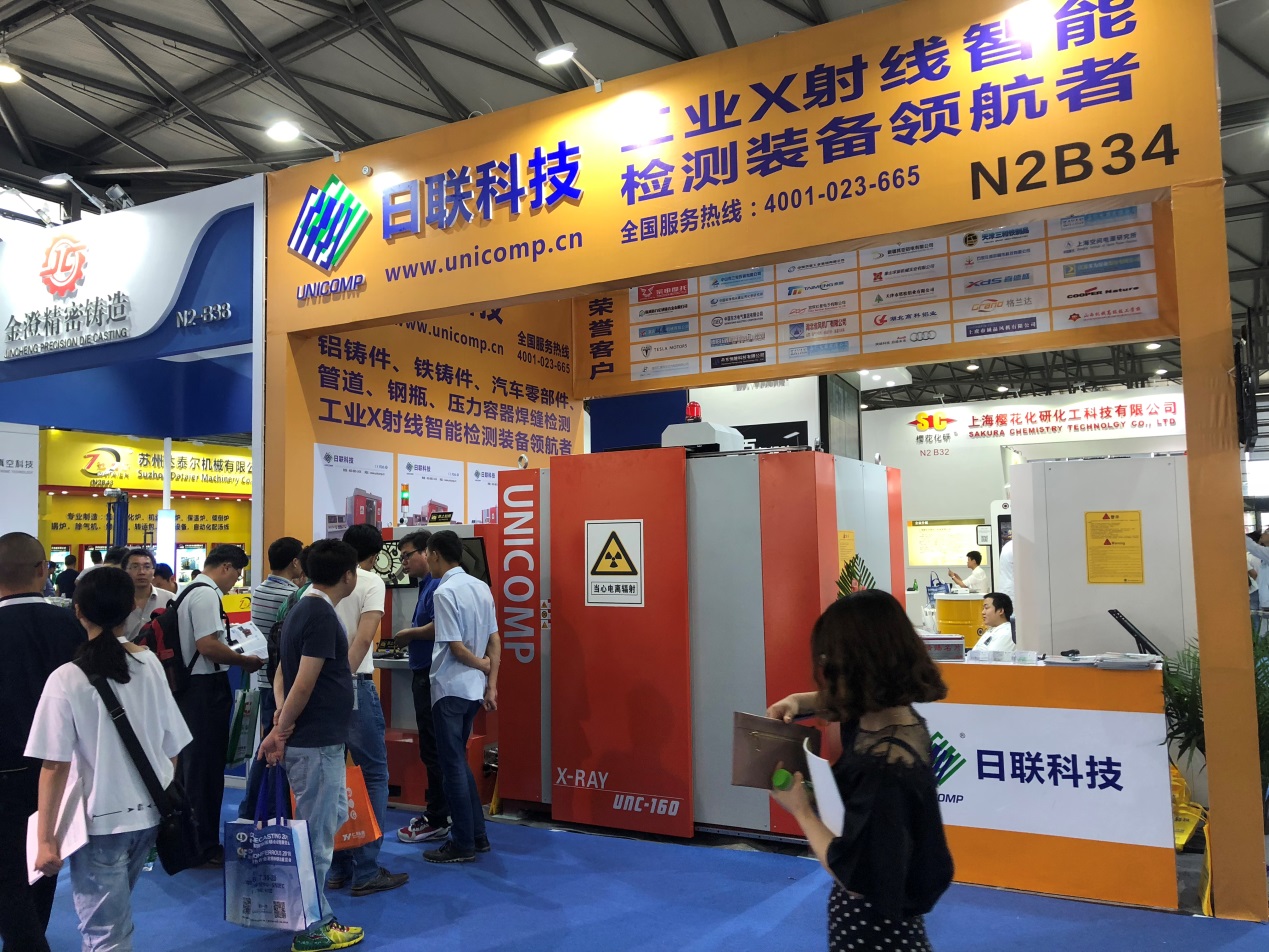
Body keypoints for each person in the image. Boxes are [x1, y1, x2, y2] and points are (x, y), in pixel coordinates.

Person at [767, 590, 954, 952]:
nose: (825, 670)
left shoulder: (884, 766)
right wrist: (798, 701)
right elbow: (845, 702)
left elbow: (855, 875)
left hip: (872, 929)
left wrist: (801, 811)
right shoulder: (889, 719)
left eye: (830, 660)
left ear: (855, 666)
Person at [26, 567, 192, 951]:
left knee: (106, 936)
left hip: (98, 824)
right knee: (114, 927)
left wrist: (46, 840)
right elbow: (173, 746)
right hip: (148, 817)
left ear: (78, 610)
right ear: (131, 607)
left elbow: (54, 765)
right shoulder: (149, 664)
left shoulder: (66, 679)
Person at [258, 539, 364, 951]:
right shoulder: (318, 613)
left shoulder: (301, 607)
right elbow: (302, 683)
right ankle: (311, 926)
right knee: (316, 838)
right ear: (348, 575)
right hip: (315, 741)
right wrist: (281, 729)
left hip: (321, 739)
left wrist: (279, 721)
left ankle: (311, 908)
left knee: (330, 816)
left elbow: (282, 673)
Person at [0, 532, 84, 952]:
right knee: (45, 856)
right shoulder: (70, 626)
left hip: (4, 767)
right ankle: (32, 935)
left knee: (7, 868)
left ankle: (27, 943)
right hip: (60, 766)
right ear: (42, 570)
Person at [325, 524, 408, 895]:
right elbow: (363, 639)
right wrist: (343, 682)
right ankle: (366, 868)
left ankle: (337, 866)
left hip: (322, 686)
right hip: (353, 684)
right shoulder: (371, 580)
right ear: (375, 555)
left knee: (333, 774)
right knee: (373, 774)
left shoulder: (318, 584)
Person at [175, 544, 262, 866]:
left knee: (195, 768)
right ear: (226, 567)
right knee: (205, 771)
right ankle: (204, 846)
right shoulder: (206, 595)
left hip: (193, 689)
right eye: (236, 574)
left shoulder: (187, 591)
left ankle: (193, 841)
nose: (235, 581)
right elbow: (208, 645)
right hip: (203, 689)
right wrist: (244, 660)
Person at [424, 529, 500, 864]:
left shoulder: (444, 591)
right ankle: (477, 836)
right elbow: (495, 640)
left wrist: (483, 666)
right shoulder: (481, 586)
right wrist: (490, 683)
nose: (427, 561)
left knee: (451, 765)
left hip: (450, 687)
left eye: (427, 555)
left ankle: (462, 843)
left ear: (436, 555)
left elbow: (454, 647)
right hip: (472, 691)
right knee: (458, 761)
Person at [238, 536, 305, 820]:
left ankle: (255, 810)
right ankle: (263, 811)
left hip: (266, 681)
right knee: (274, 749)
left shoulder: (260, 590)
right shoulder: (292, 596)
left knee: (268, 745)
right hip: (281, 684)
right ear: (295, 562)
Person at [392, 530, 450, 844]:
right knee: (433, 748)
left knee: (434, 749)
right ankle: (441, 813)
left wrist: (410, 634)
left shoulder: (438, 586)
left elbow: (441, 626)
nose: (403, 563)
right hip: (425, 674)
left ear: (427, 553)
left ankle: (439, 817)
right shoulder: (427, 585)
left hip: (431, 676)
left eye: (407, 556)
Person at [121, 547, 175, 642]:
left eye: (147, 567)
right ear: (124, 570)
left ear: (153, 570)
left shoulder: (170, 599)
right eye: (135, 567)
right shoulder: (117, 599)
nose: (141, 572)